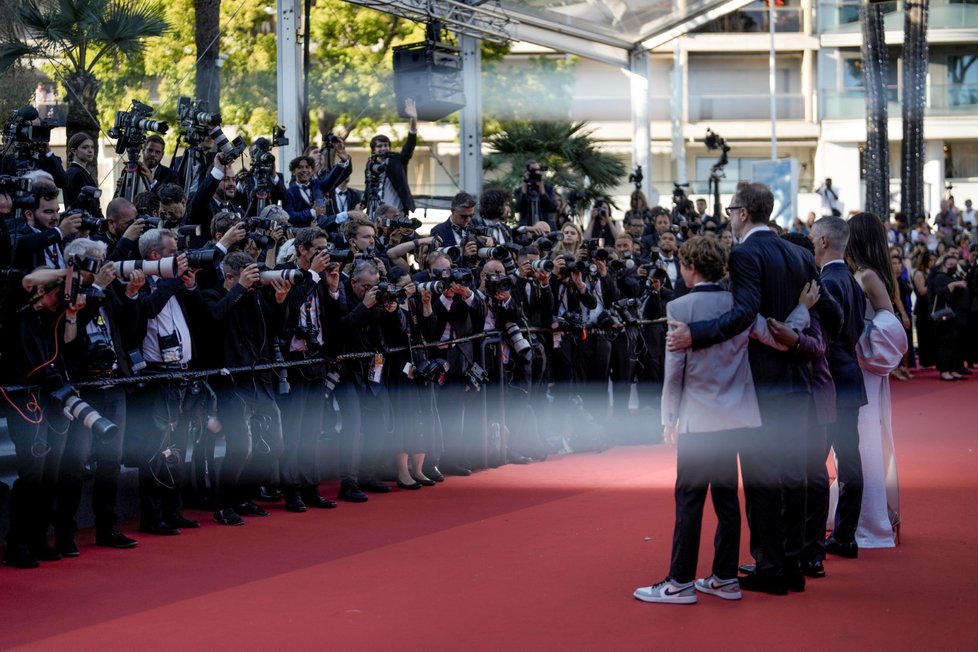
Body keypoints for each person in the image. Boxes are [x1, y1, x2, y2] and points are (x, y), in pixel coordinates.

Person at [667, 181, 825, 596]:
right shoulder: (800, 254)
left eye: (731, 209)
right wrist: (796, 319)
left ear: (743, 213)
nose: (729, 217)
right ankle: (791, 564)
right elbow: (833, 312)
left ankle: (772, 567)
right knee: (793, 476)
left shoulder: (745, 254)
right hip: (798, 382)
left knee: (761, 482)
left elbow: (742, 315)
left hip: (761, 385)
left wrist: (693, 334)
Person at [634, 236, 759, 604]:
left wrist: (667, 417)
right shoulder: (740, 303)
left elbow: (675, 370)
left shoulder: (680, 306)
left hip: (699, 418)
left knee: (689, 499)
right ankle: (725, 577)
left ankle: (680, 582)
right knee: (726, 498)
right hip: (736, 415)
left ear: (689, 267)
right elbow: (769, 333)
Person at [844, 212, 908, 549]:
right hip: (863, 367)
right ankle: (863, 515)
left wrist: (860, 342)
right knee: (861, 440)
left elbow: (891, 324)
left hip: (865, 369)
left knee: (865, 441)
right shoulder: (867, 273)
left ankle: (871, 521)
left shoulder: (867, 276)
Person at [810, 216, 867, 562]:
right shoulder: (851, 279)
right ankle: (844, 536)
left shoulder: (829, 281)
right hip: (848, 377)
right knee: (849, 459)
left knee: (815, 462)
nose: (812, 243)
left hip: (831, 379)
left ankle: (814, 540)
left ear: (825, 242)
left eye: (814, 238)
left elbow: (826, 335)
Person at [365, 98, 417, 215]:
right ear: (373, 150)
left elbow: (409, 146)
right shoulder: (371, 164)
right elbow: (368, 187)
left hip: (396, 212)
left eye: (386, 145)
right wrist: (363, 204)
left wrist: (413, 120)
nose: (383, 148)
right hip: (375, 213)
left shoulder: (397, 160)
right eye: (379, 146)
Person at [64, 133, 102, 216]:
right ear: (74, 151)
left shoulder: (80, 171)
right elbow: (83, 204)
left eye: (92, 147)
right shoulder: (76, 173)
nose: (90, 150)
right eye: (85, 147)